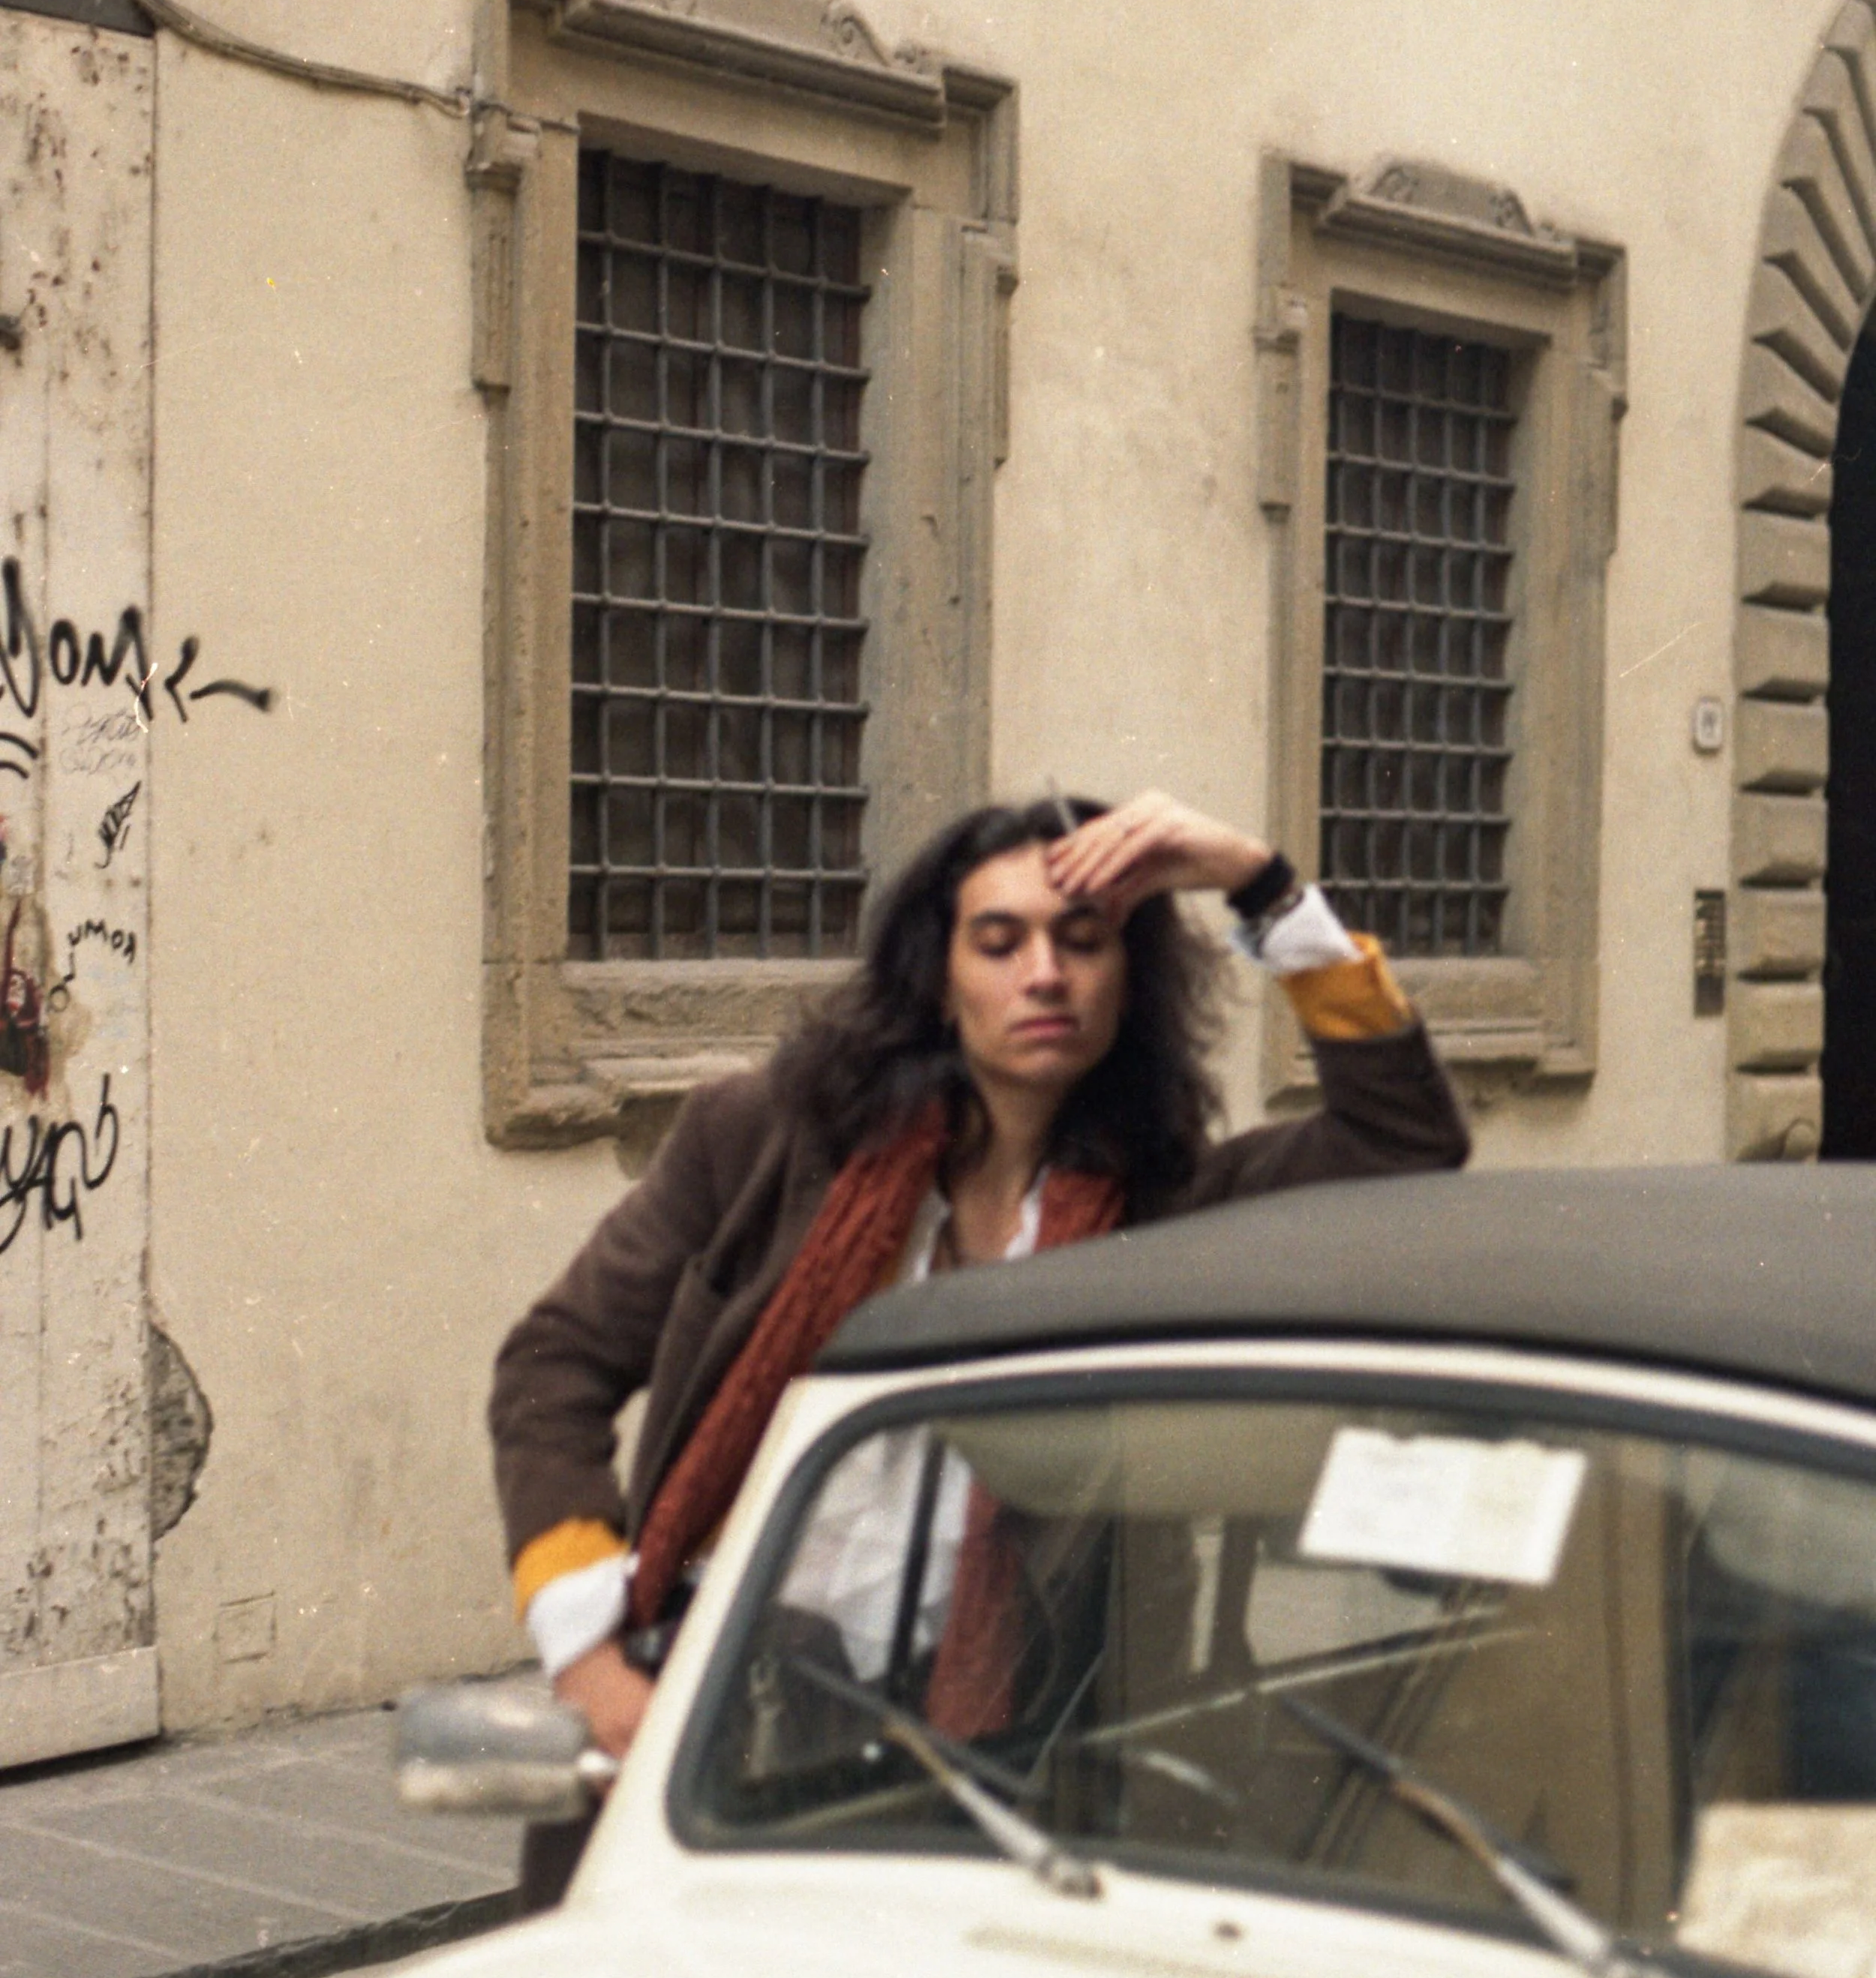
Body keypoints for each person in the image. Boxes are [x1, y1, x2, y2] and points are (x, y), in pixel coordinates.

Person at [489, 789, 1468, 1898]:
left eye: (1082, 942)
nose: (1043, 973)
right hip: (709, 1711)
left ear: (1128, 985)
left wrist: (1261, 882)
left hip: (993, 1762)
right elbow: (551, 1366)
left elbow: (1408, 1138)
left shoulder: (1168, 1207)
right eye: (999, 942)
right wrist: (587, 1657)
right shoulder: (761, 1140)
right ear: (939, 980)